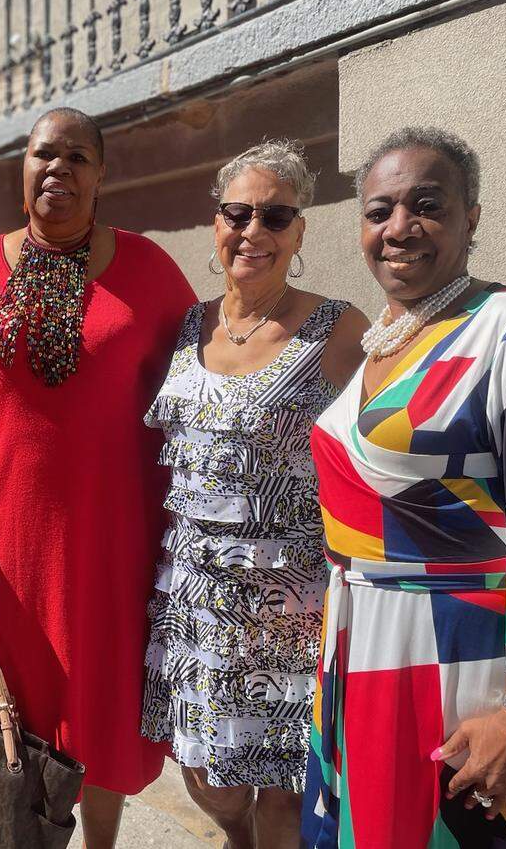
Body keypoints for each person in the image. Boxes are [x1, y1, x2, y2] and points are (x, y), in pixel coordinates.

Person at [301, 126, 506, 848]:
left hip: (464, 668)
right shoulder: (391, 337)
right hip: (362, 653)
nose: (399, 227)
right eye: (379, 211)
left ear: (471, 217)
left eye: (427, 205)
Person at [0, 107, 197, 847]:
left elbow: (201, 382)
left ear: (102, 175)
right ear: (23, 167)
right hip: (7, 550)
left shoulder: (150, 271)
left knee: (101, 709)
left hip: (117, 544)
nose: (57, 168)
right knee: (4, 712)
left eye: (77, 157)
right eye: (43, 154)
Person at [140, 140, 368, 849]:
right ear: (217, 222)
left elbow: (382, 448)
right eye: (238, 213)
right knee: (207, 778)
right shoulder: (189, 325)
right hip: (194, 598)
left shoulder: (338, 329)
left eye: (276, 216)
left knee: (286, 792)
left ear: (299, 232)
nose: (253, 231)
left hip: (291, 606)